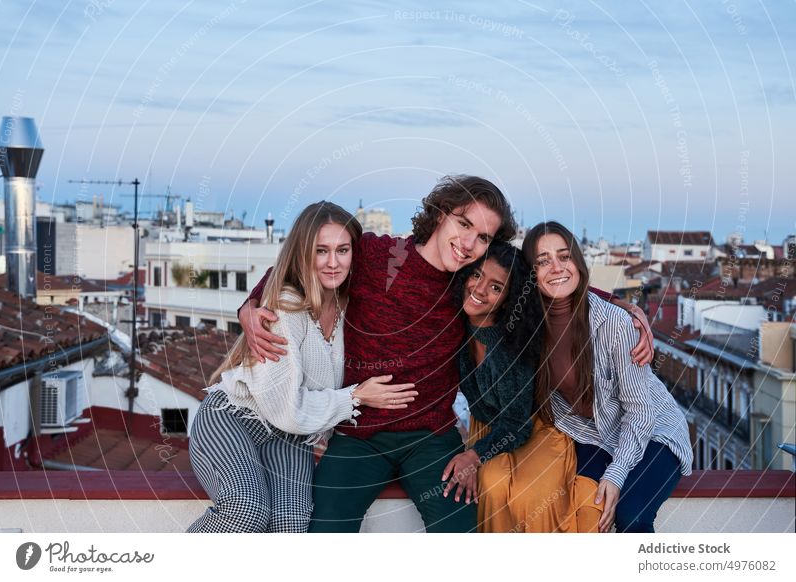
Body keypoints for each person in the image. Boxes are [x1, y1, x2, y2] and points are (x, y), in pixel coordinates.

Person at [240, 176, 656, 532]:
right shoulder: (377, 255)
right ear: (440, 214)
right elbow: (302, 263)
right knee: (325, 535)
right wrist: (249, 306)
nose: (469, 243)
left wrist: (620, 304)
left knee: (460, 537)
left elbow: (542, 287)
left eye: (484, 237)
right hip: (358, 434)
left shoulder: (466, 286)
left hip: (431, 438)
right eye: (463, 224)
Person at [187, 202, 417, 533]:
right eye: (321, 251)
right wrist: (356, 397)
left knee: (293, 525)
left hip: (290, 438)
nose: (333, 262)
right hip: (235, 418)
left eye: (342, 250)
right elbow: (289, 411)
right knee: (246, 508)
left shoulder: (349, 306)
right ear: (303, 253)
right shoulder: (285, 308)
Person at [517, 221, 693, 533]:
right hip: (592, 433)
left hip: (653, 430)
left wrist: (616, 473)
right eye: (543, 261)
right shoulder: (528, 329)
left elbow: (640, 411)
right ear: (529, 274)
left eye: (564, 256)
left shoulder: (614, 324)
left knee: (630, 514)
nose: (556, 267)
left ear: (579, 263)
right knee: (587, 511)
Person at [441, 241, 603, 532]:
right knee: (491, 485)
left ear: (509, 297)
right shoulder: (456, 320)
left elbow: (518, 423)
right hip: (488, 428)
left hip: (535, 428)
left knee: (534, 499)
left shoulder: (509, 345)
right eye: (476, 275)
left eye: (495, 287)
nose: (479, 289)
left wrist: (473, 455)